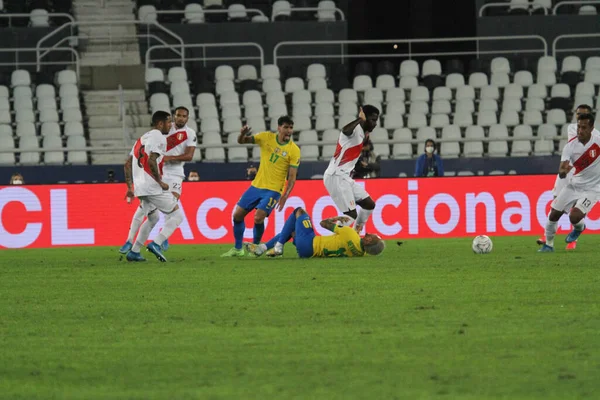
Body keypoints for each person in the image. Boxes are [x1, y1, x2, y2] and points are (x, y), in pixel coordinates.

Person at [120, 107, 197, 255]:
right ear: (172, 118)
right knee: (151, 211)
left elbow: (189, 156)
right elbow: (151, 158)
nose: (180, 119)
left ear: (187, 118)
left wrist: (168, 158)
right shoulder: (163, 132)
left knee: (160, 210)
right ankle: (132, 241)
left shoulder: (189, 133)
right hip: (156, 174)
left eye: (184, 116)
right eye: (177, 116)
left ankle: (143, 246)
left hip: (173, 174)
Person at [221, 116, 301, 257]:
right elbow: (241, 141)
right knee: (237, 216)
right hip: (256, 186)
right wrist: (242, 134)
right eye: (286, 127)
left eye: (291, 128)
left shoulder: (293, 150)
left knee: (258, 218)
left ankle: (255, 246)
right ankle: (238, 249)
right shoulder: (266, 137)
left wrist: (285, 196)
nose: (289, 131)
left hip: (274, 190)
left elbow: (292, 177)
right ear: (279, 127)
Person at [537, 104, 598, 250]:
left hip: (593, 188)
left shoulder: (598, 140)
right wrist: (563, 171)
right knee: (553, 214)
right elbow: (563, 168)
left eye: (584, 127)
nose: (580, 130)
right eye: (579, 127)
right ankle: (548, 245)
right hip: (574, 182)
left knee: (574, 217)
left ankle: (578, 229)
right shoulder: (571, 144)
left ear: (591, 127)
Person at [323, 105, 380, 233]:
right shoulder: (355, 129)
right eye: (372, 119)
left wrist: (359, 163)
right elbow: (344, 130)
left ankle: (355, 234)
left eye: (376, 120)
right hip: (336, 176)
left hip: (345, 177)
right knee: (351, 215)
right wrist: (360, 119)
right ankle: (331, 229)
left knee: (369, 205)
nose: (375, 124)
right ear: (364, 117)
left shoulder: (363, 134)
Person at [245, 207, 385, 258]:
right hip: (311, 253)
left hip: (310, 243)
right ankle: (262, 248)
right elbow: (355, 242)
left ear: (368, 241)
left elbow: (323, 224)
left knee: (298, 212)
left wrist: (335, 218)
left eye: (369, 236)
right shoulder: (361, 253)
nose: (367, 234)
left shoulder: (350, 234)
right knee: (291, 230)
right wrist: (357, 234)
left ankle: (279, 246)